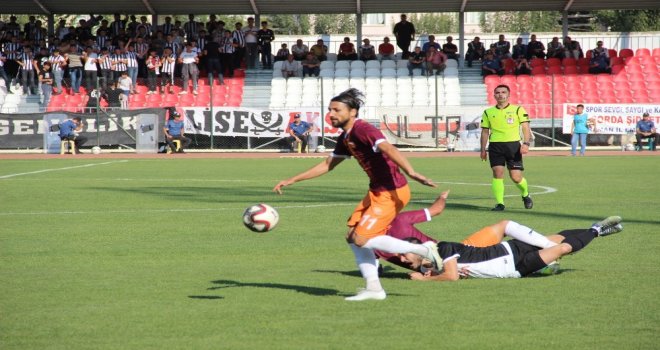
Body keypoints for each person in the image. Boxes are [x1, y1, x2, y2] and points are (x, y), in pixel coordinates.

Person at [273, 89, 439, 301]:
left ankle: (425, 250)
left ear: (352, 112)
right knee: (352, 237)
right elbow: (327, 165)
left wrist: (412, 172)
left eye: (336, 110)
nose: (331, 114)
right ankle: (374, 289)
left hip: (391, 191)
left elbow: (388, 147)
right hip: (377, 192)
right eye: (330, 109)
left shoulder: (363, 129)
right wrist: (292, 179)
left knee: (362, 239)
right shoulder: (346, 136)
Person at [401, 216, 623, 281]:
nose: (401, 259)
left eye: (404, 253)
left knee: (556, 242)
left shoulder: (443, 248)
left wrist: (426, 280)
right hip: (514, 269)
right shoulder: (429, 266)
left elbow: (452, 276)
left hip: (509, 249)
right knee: (562, 248)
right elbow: (447, 272)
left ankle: (593, 230)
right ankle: (596, 231)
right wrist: (431, 273)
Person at [480, 84, 533, 211]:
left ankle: (525, 194)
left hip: (513, 146)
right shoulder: (488, 112)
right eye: (497, 92)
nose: (500, 94)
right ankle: (500, 203)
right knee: (497, 173)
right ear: (494, 95)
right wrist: (482, 149)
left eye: (503, 92)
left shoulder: (518, 110)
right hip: (495, 147)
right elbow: (485, 131)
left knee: (516, 177)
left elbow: (525, 128)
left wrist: (526, 143)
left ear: (508, 95)